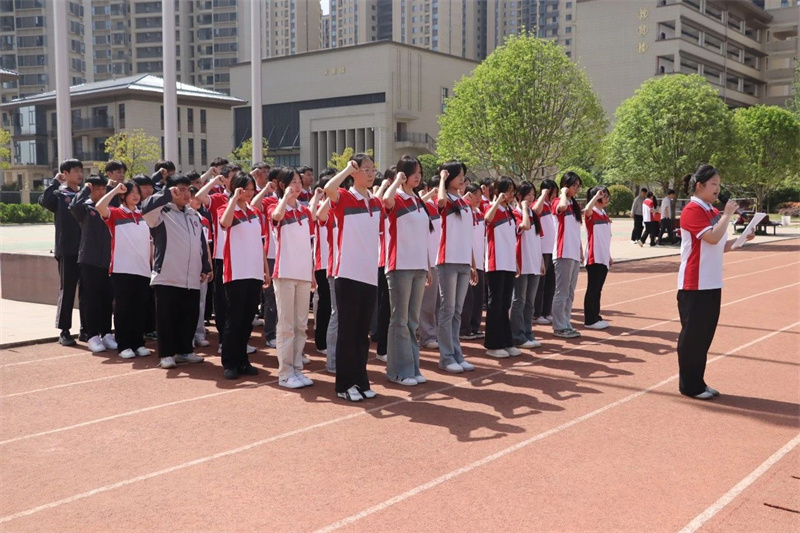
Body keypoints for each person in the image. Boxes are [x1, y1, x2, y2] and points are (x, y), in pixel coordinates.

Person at [677, 164, 754, 400]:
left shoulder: (710, 210)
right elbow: (711, 237)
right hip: (694, 283)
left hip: (711, 281)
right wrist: (728, 215)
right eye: (714, 184)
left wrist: (743, 238)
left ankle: (698, 381)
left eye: (719, 185)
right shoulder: (692, 209)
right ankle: (689, 385)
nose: (718, 189)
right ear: (700, 185)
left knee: (704, 336)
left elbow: (720, 244)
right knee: (693, 336)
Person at [324, 155, 383, 402]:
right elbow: (329, 189)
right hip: (347, 273)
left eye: (373, 169)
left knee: (362, 334)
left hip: (369, 275)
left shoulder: (376, 202)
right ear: (354, 172)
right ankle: (344, 384)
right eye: (365, 169)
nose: (370, 174)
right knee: (347, 332)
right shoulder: (344, 197)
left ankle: (361, 380)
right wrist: (346, 169)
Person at [142, 174, 211, 369]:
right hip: (168, 275)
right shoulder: (161, 213)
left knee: (189, 316)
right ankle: (166, 354)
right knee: (167, 318)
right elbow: (145, 208)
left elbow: (200, 242)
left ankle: (185, 351)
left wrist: (204, 266)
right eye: (180, 190)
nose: (186, 194)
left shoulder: (193, 214)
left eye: (188, 190)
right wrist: (166, 194)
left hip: (191, 276)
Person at [382, 155, 431, 386]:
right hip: (400, 266)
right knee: (399, 321)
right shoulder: (397, 197)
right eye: (413, 172)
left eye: (419, 172)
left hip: (419, 266)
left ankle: (412, 367)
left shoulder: (418, 200)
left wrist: (427, 265)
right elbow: (385, 200)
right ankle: (398, 372)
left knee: (412, 321)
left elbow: (423, 237)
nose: (417, 176)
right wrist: (396, 181)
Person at [218, 172, 270, 380]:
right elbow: (225, 223)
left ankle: (242, 360)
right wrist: (233, 199)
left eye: (251, 189)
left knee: (248, 319)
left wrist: (265, 269)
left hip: (254, 271)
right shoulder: (226, 208)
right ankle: (229, 362)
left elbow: (260, 242)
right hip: (236, 272)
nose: (249, 193)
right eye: (245, 189)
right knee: (234, 318)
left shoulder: (255, 212)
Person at [268, 167, 315, 389]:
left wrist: (312, 272)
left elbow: (309, 244)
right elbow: (276, 217)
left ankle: (297, 368)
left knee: (301, 325)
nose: (297, 186)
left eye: (299, 182)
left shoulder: (305, 211)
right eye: (293, 182)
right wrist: (285, 198)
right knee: (286, 325)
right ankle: (285, 373)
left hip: (303, 273)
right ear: (282, 185)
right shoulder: (275, 206)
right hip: (285, 272)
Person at [96, 180, 152, 359]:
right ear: (123, 196)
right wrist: (114, 191)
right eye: (131, 192)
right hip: (122, 269)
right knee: (123, 309)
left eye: (138, 192)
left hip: (143, 269)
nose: (136, 195)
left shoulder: (144, 215)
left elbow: (150, 244)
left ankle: (138, 343)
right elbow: (99, 206)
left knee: (140, 309)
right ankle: (124, 345)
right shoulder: (115, 213)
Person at [436, 161, 478, 373]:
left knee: (457, 311)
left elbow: (468, 235)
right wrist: (442, 179)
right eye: (459, 175)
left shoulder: (464, 203)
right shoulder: (445, 199)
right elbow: (440, 201)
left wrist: (473, 264)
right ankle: (446, 357)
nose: (463, 178)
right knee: (448, 309)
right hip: (447, 260)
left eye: (464, 175)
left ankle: (457, 354)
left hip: (463, 261)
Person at [70, 174, 115, 353]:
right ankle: (92, 335)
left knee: (107, 299)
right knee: (91, 300)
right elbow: (73, 207)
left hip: (108, 261)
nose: (101, 192)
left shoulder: (110, 209)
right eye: (97, 189)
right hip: (89, 260)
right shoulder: (86, 208)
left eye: (104, 189)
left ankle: (107, 333)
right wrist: (85, 190)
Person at [40, 159, 84, 346]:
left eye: (81, 170)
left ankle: (86, 329)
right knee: (68, 290)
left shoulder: (85, 193)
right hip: (67, 249)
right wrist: (54, 182)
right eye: (75, 171)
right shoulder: (59, 194)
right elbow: (45, 201)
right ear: (65, 174)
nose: (80, 174)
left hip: (87, 250)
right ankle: (64, 330)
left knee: (87, 291)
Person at [483, 177, 521, 358]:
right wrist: (497, 201)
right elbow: (486, 219)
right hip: (495, 262)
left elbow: (512, 239)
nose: (511, 194)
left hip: (508, 263)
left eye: (513, 191)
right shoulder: (491, 207)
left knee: (505, 303)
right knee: (495, 303)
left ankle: (506, 341)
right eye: (508, 190)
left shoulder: (510, 211)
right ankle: (493, 344)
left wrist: (515, 262)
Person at [511, 180, 545, 349]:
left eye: (533, 194)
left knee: (530, 302)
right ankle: (517, 335)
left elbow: (538, 239)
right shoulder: (515, 213)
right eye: (528, 194)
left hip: (534, 262)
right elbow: (524, 226)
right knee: (519, 300)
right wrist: (524, 208)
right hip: (522, 262)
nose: (531, 198)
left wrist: (541, 260)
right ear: (519, 195)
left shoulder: (534, 215)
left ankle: (528, 332)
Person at [551, 172, 583, 339]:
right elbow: (561, 207)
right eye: (574, 185)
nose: (576, 189)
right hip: (563, 252)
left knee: (570, 292)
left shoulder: (575, 205)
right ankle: (559, 326)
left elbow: (576, 230)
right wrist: (563, 192)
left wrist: (580, 250)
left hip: (574, 253)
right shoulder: (558, 201)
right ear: (565, 186)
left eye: (578, 186)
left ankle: (566, 322)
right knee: (561, 292)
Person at [311, 168, 337, 356]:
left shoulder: (339, 207)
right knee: (326, 304)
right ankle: (321, 342)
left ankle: (332, 340)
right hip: (323, 263)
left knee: (336, 305)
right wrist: (320, 197)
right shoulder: (320, 207)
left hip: (338, 262)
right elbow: (314, 215)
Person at [583, 186, 613, 330]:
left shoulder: (603, 213)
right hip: (594, 256)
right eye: (604, 196)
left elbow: (606, 237)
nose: (606, 199)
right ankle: (590, 319)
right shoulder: (592, 212)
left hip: (603, 256)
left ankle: (596, 316)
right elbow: (586, 210)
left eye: (607, 196)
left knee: (598, 289)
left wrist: (609, 255)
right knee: (593, 288)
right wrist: (595, 197)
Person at [460, 183, 486, 340]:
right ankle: (465, 328)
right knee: (467, 298)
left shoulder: (480, 213)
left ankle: (475, 326)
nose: (478, 198)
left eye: (480, 195)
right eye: (474, 194)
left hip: (480, 260)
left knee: (478, 297)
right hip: (469, 260)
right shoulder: (465, 211)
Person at [419, 176, 442, 350]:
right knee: (428, 302)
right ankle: (427, 335)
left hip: (440, 259)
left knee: (438, 302)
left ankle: (436, 333)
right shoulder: (424, 205)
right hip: (429, 259)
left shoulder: (440, 207)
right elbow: (418, 202)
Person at [189, 186, 212, 348]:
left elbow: (207, 245)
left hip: (201, 266)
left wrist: (208, 266)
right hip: (187, 266)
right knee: (188, 303)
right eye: (193, 197)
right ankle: (188, 335)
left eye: (198, 198)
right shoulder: (181, 217)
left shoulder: (204, 220)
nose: (197, 200)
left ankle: (199, 333)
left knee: (201, 302)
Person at [533, 179, 558, 326]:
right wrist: (543, 195)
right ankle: (537, 313)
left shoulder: (550, 205)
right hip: (542, 249)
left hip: (551, 249)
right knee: (540, 284)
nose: (553, 195)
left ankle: (546, 311)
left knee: (550, 283)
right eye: (551, 192)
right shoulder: (539, 203)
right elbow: (536, 210)